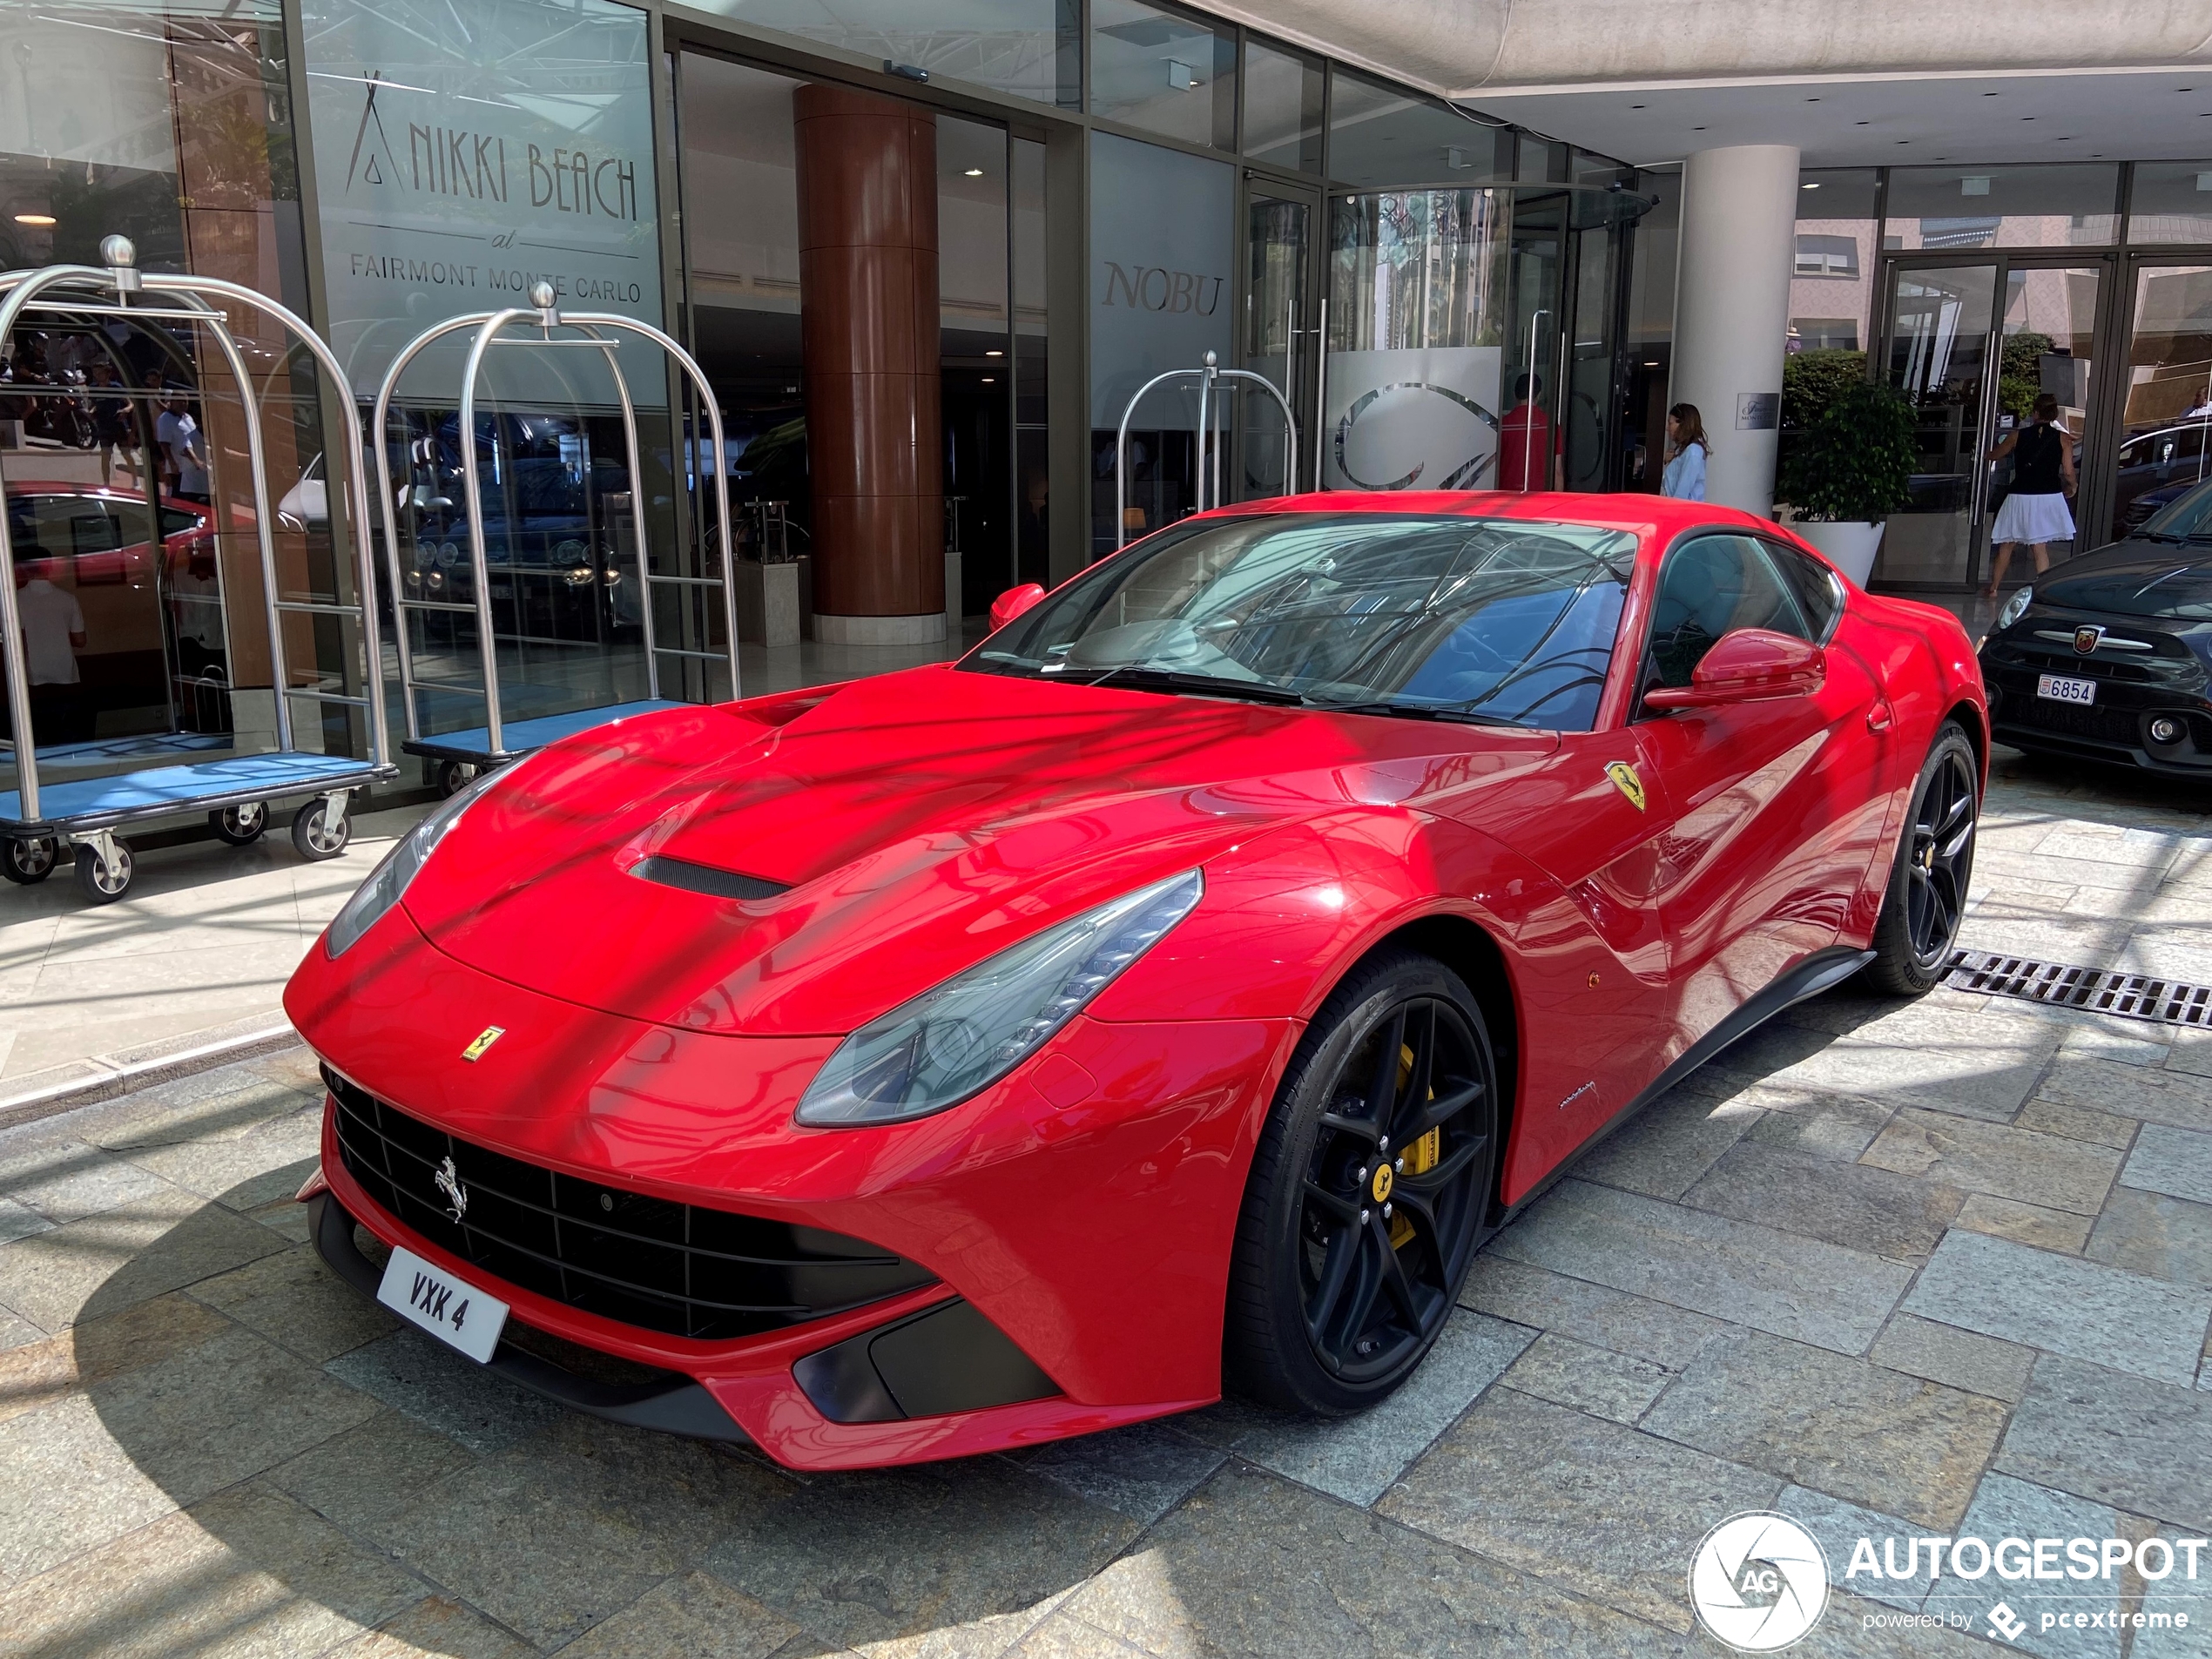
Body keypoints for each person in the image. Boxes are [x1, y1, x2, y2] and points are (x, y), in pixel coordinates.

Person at [1983, 393, 2077, 597]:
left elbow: (1996, 455)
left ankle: (1994, 588)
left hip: (2020, 494)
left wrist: (1984, 454)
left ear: (2035, 413)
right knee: (2039, 545)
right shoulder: (2063, 439)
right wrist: (2072, 486)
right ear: (2054, 414)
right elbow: (2068, 471)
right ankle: (2042, 591)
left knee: (2007, 543)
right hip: (2048, 495)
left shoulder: (2017, 435)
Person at [14, 552, 91, 743]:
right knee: (67, 732)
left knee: (39, 735)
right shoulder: (67, 599)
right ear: (48, 567)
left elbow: (17, 640)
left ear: (24, 569)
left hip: (33, 675)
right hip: (65, 671)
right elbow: (80, 640)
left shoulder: (16, 600)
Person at [1497, 374, 1561, 492]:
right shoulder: (1550, 426)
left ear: (1515, 394)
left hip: (1505, 495)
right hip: (1539, 497)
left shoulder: (1503, 425)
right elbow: (1557, 472)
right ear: (1539, 394)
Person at [155, 389, 211, 504]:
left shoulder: (188, 418)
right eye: (180, 401)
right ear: (172, 402)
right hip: (177, 467)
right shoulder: (165, 419)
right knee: (177, 497)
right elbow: (164, 444)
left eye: (186, 402)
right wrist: (172, 463)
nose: (183, 404)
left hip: (192, 469)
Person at [1662, 403, 1710, 501]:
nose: (1667, 428)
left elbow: (1682, 491)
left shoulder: (1693, 452)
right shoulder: (1683, 450)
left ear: (1682, 424)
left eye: (1670, 423)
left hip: (1683, 511)